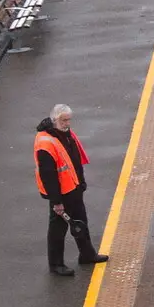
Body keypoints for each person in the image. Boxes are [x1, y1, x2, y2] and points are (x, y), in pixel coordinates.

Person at [34, 104, 109, 275]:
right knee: (58, 230)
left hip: (73, 189)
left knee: (80, 222)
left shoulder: (66, 134)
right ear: (54, 120)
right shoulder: (45, 143)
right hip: (61, 193)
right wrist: (56, 201)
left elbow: (74, 161)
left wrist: (81, 183)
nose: (67, 123)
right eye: (63, 120)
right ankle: (56, 264)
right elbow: (49, 175)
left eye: (68, 120)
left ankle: (87, 254)